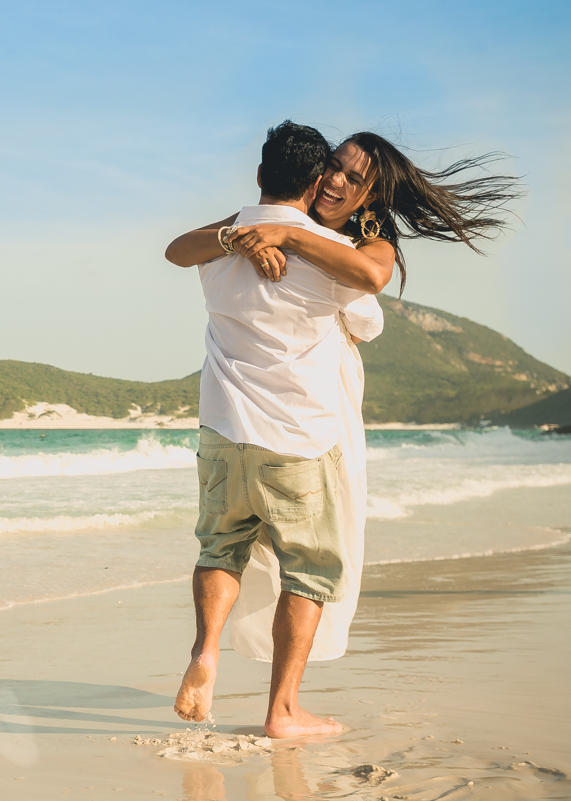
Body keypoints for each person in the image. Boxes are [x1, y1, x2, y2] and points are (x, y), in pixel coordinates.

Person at [164, 122, 521, 738]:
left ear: (370, 200)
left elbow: (371, 273)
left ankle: (206, 652)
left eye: (354, 178)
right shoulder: (280, 242)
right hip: (302, 430)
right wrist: (263, 234)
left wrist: (280, 233)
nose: (336, 179)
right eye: (334, 165)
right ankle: (281, 711)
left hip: (224, 426)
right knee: (310, 567)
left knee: (219, 548)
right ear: (313, 171)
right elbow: (364, 310)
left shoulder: (352, 246)